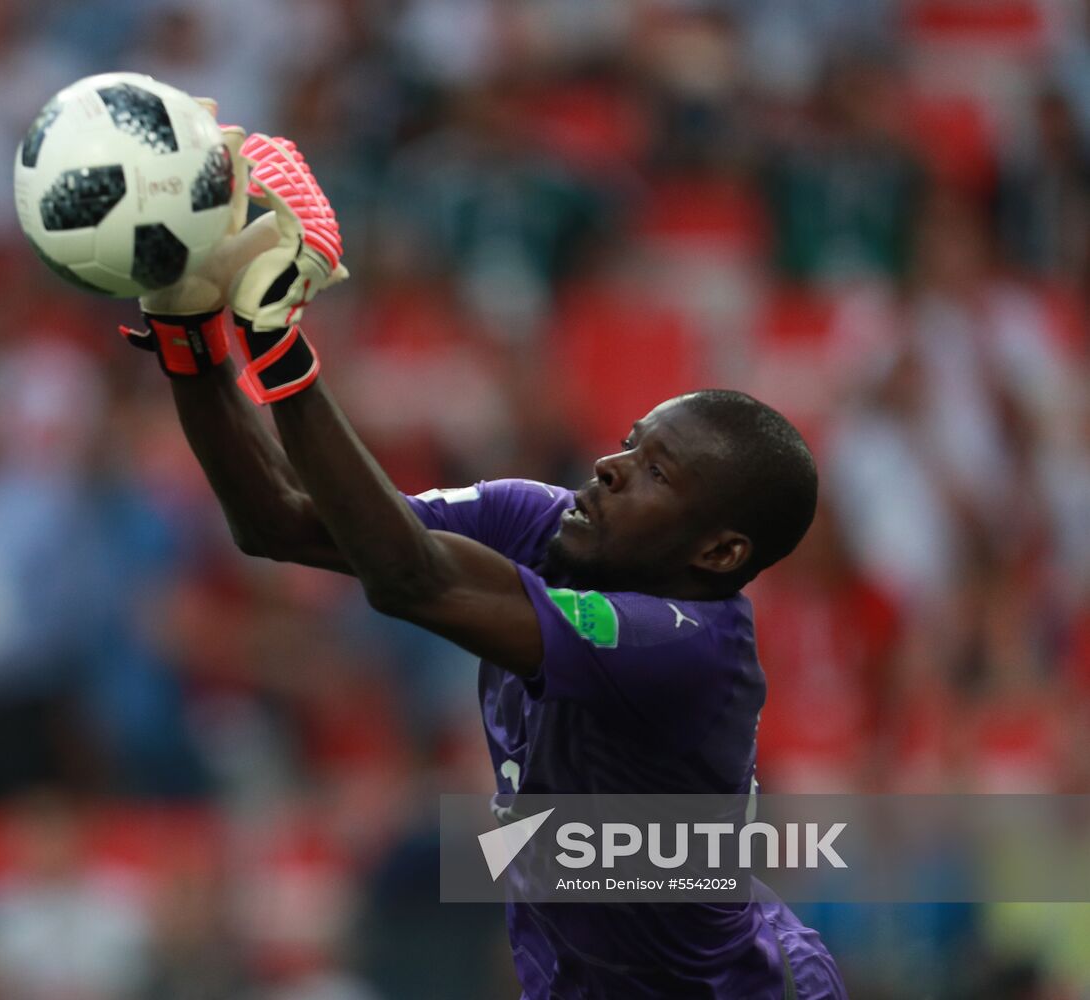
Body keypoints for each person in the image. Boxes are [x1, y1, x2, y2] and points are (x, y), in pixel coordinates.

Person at [116, 118, 846, 998]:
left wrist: (278, 343)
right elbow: (282, 523)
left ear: (718, 550)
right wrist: (191, 333)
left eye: (656, 472)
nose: (610, 466)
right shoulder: (541, 521)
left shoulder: (683, 649)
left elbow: (409, 578)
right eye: (628, 440)